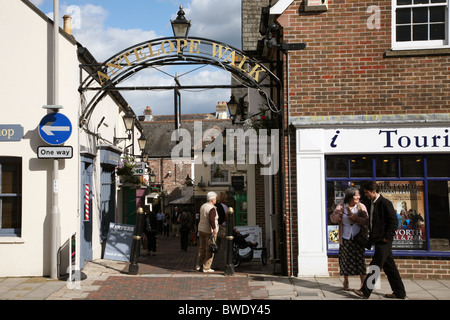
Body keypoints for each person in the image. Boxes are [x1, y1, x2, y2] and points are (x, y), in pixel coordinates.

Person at [354, 181, 406, 299]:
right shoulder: (371, 202)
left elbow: (394, 221)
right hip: (378, 239)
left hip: (384, 241)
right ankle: (399, 292)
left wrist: (387, 237)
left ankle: (365, 291)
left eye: (367, 192)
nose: (365, 194)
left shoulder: (385, 203)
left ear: (374, 191)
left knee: (375, 265)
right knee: (390, 267)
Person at [330, 187, 369, 291]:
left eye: (358, 195)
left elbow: (366, 221)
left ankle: (363, 284)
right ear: (350, 196)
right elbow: (332, 218)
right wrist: (339, 215)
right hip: (345, 237)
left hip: (358, 237)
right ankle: (346, 281)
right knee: (345, 260)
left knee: (360, 260)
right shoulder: (341, 206)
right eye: (356, 195)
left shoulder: (361, 206)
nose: (358, 197)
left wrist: (355, 218)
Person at [195, 191, 218, 273]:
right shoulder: (212, 208)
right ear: (212, 199)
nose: (216, 200)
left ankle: (199, 265)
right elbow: (211, 219)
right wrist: (214, 228)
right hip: (209, 231)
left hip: (201, 229)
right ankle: (206, 267)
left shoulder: (203, 206)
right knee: (210, 249)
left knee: (202, 248)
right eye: (215, 198)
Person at [212, 192, 228, 270]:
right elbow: (227, 218)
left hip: (215, 228)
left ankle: (214, 264)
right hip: (223, 228)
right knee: (225, 247)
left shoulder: (214, 206)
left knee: (216, 247)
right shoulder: (225, 207)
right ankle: (225, 264)